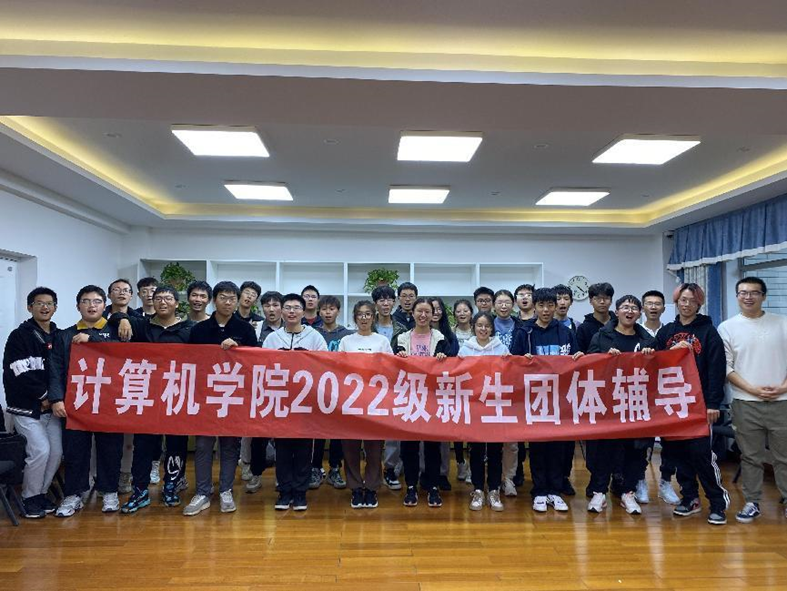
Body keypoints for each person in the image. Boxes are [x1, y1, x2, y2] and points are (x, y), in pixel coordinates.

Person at [107, 285, 195, 513]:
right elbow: (113, 314)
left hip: (176, 396)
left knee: (176, 444)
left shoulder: (189, 330)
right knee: (143, 445)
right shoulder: (141, 325)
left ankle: (171, 486)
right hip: (146, 397)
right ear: (152, 302)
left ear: (177, 303)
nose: (163, 302)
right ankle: (140, 491)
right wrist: (122, 319)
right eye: (158, 298)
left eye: (168, 298)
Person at [656, 282, 730, 526]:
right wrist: (670, 350)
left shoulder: (708, 332)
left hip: (700, 404)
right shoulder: (666, 332)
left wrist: (713, 403)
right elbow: (654, 362)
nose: (686, 305)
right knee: (678, 454)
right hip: (673, 404)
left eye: (691, 301)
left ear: (699, 304)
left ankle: (717, 502)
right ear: (676, 302)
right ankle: (690, 497)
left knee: (701, 455)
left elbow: (716, 370)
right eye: (682, 300)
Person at [183, 281, 259, 517]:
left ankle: (226, 490)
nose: (228, 302)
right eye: (223, 298)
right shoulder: (199, 329)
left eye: (232, 298)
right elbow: (190, 362)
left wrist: (239, 349)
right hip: (205, 396)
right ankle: (203, 492)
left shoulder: (245, 329)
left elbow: (255, 361)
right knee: (203, 445)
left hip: (234, 396)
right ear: (214, 300)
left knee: (230, 445)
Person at [48, 285, 124, 517]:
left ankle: (109, 490)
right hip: (76, 404)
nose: (92, 306)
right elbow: (55, 369)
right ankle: (74, 494)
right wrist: (56, 399)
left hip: (108, 404)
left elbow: (124, 355)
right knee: (75, 451)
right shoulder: (64, 335)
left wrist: (92, 338)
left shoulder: (116, 332)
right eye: (86, 301)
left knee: (110, 449)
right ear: (77, 306)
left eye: (97, 301)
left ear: (105, 305)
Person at [718, 277, 787, 524]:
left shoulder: (782, 323)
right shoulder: (727, 327)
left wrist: (782, 388)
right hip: (745, 401)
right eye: (743, 292)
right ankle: (752, 502)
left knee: (783, 456)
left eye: (754, 292)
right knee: (750, 456)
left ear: (764, 296)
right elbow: (726, 367)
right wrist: (752, 389)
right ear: (737, 296)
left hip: (782, 401)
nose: (748, 297)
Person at [510, 287, 583, 513]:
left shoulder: (566, 332)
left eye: (550, 305)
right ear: (534, 307)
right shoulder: (525, 332)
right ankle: (540, 491)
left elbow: (577, 359)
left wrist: (579, 358)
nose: (546, 310)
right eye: (541, 305)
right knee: (538, 447)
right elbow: (512, 363)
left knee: (558, 447)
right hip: (534, 400)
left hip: (560, 400)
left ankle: (555, 490)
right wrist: (523, 360)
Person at [586, 295, 656, 515]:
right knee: (604, 449)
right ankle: (599, 492)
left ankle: (628, 492)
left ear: (639, 313)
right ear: (616, 312)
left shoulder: (647, 340)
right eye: (625, 307)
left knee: (635, 451)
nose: (629, 311)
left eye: (634, 308)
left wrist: (650, 358)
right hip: (608, 404)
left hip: (637, 403)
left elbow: (657, 372)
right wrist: (603, 357)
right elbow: (589, 363)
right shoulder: (602, 336)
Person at [263, 293, 329, 511]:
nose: (292, 312)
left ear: (304, 312)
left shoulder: (315, 337)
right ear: (281, 311)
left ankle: (300, 492)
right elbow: (262, 366)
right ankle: (284, 491)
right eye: (288, 308)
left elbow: (325, 365)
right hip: (280, 400)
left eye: (296, 308)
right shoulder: (272, 339)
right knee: (282, 448)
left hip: (306, 402)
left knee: (303, 448)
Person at [2, 287, 61, 518]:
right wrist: (44, 397)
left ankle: (41, 494)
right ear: (30, 307)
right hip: (26, 408)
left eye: (49, 303)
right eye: (39, 303)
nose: (45, 307)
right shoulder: (19, 336)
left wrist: (54, 399)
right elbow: (18, 370)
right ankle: (29, 498)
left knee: (55, 453)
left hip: (52, 409)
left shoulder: (58, 335)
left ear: (55, 307)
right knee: (40, 451)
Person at [393, 297, 450, 508]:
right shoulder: (401, 339)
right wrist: (398, 357)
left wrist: (444, 358)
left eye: (427, 311)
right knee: (409, 446)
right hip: (409, 397)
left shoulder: (441, 339)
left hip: (433, 398)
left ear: (433, 314)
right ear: (413, 313)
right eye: (420, 311)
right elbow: (391, 368)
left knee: (433, 446)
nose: (423, 315)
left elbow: (450, 368)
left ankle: (433, 487)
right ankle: (411, 486)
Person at [338, 300, 394, 508]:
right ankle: (355, 488)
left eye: (368, 314)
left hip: (375, 402)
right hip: (350, 402)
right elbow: (337, 369)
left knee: (374, 449)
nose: (364, 318)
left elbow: (391, 368)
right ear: (355, 318)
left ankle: (371, 488)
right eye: (360, 314)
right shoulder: (346, 341)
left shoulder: (382, 341)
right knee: (350, 448)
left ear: (373, 317)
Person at [458, 311, 509, 511]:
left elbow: (510, 372)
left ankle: (494, 490)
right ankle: (478, 489)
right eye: (479, 325)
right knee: (477, 450)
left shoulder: (501, 347)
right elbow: (459, 374)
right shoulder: (465, 349)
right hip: (474, 407)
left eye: (487, 326)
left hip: (496, 406)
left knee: (496, 450)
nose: (483, 329)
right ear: (473, 327)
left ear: (492, 329)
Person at [638, 289, 680, 505]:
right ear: (642, 308)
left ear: (664, 308)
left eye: (657, 304)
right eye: (649, 303)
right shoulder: (634, 331)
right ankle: (640, 481)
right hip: (641, 394)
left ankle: (666, 482)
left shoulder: (671, 332)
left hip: (667, 393)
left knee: (670, 441)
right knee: (641, 442)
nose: (653, 307)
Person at [244, 290, 284, 492]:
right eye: (267, 305)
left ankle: (281, 476)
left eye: (275, 305)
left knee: (283, 436)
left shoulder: (291, 327)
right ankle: (256, 474)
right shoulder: (255, 328)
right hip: (260, 388)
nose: (271, 309)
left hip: (285, 390)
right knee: (258, 435)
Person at [312, 295, 352, 489]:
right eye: (324, 309)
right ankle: (315, 468)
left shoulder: (347, 335)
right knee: (317, 431)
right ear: (319, 311)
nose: (328, 313)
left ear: (338, 311)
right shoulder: (312, 333)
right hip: (316, 389)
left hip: (340, 390)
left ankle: (335, 468)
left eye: (332, 309)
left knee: (338, 432)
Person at [429, 296, 459, 491]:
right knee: (424, 434)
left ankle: (443, 473)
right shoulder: (416, 333)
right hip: (424, 390)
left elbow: (455, 361)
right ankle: (426, 472)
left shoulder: (450, 335)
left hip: (445, 389)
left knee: (443, 435)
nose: (436, 312)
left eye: (439, 308)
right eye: (432, 309)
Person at [452, 298, 475, 483]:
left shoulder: (479, 330)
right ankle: (460, 462)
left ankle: (473, 466)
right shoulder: (450, 333)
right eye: (458, 311)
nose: (462, 314)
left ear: (471, 313)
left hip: (476, 385)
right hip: (456, 384)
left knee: (473, 427)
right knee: (457, 426)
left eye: (465, 310)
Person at [576, 282, 614, 353]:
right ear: (590, 301)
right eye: (597, 298)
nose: (602, 302)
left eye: (606, 298)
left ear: (611, 301)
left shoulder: (618, 324)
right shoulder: (583, 328)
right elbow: (580, 354)